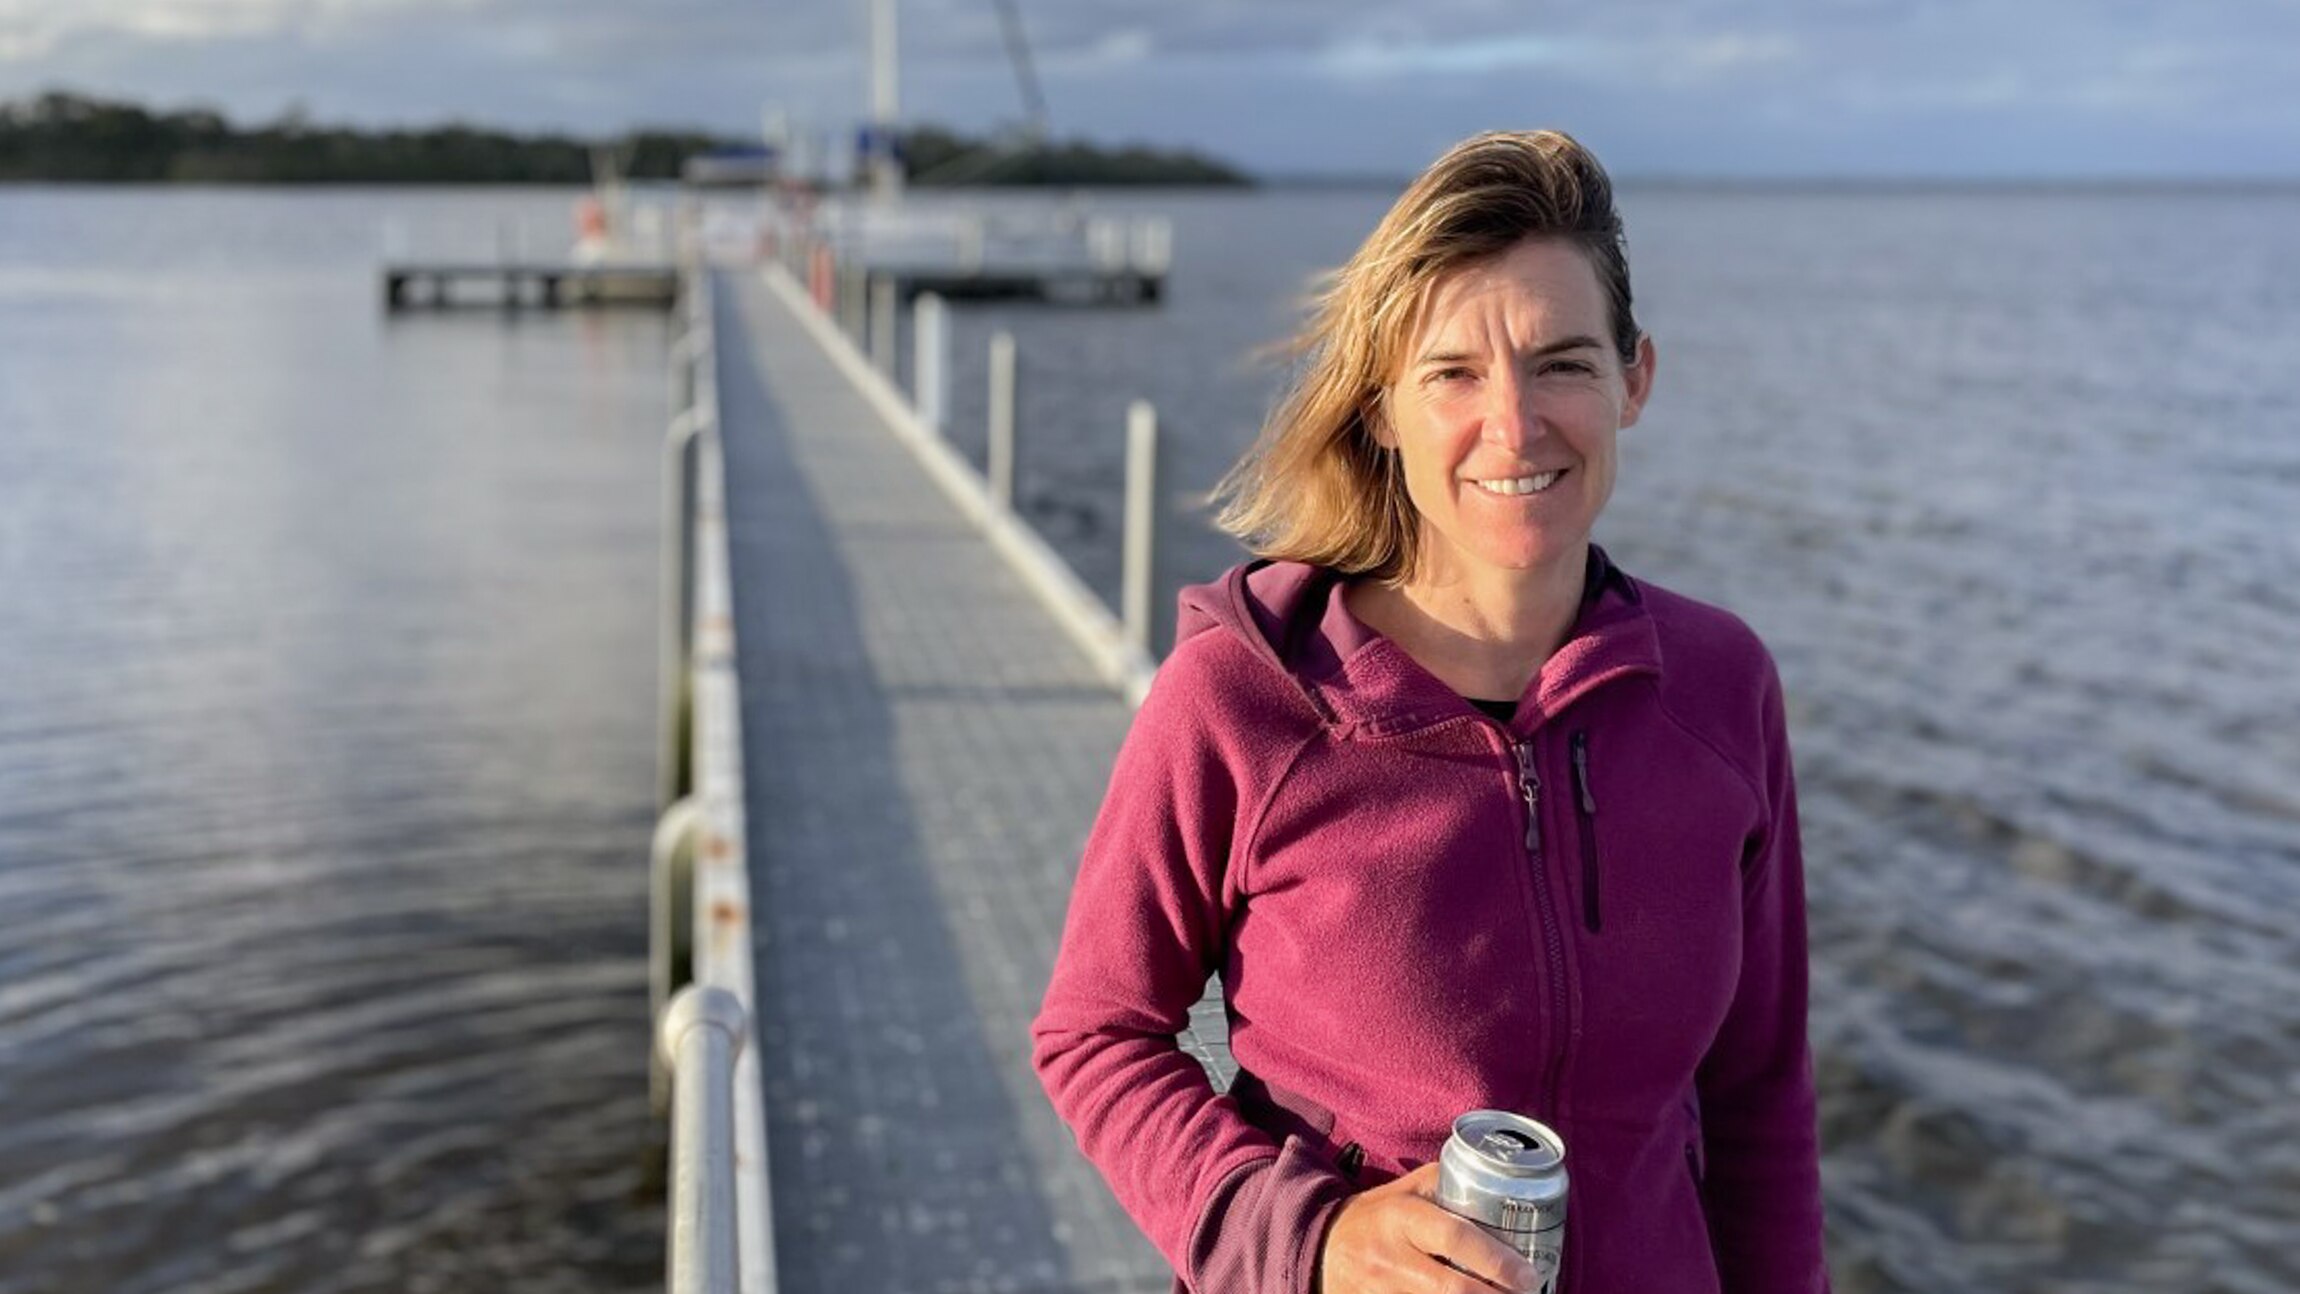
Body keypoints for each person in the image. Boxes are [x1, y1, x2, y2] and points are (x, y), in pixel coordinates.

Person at [1032, 130, 1828, 1294]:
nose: (1513, 425)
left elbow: (1759, 1093)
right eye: (1452, 373)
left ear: (1632, 381)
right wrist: (1306, 1235)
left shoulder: (1718, 688)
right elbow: (1094, 1035)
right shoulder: (1247, 699)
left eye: (1561, 362)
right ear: (1381, 411)